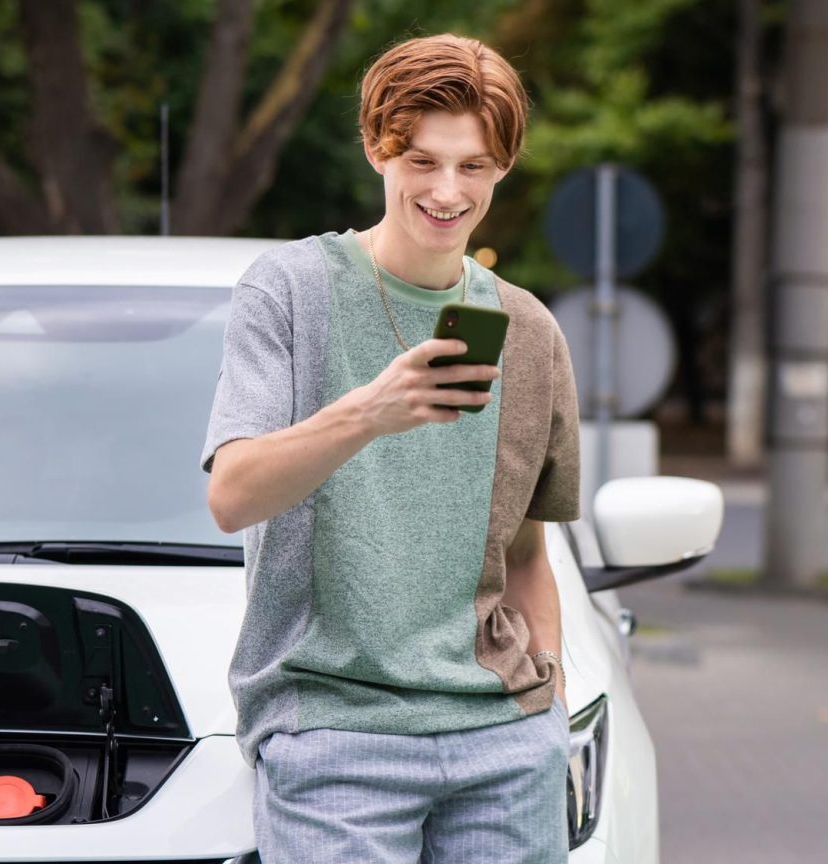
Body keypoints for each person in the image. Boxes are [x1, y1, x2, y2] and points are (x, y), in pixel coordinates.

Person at [201, 33, 580, 864]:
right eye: (422, 160)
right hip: (336, 735)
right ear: (378, 147)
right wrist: (368, 411)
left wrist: (546, 704)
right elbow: (232, 495)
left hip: (503, 747)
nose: (447, 191)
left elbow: (525, 555)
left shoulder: (531, 334)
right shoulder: (291, 292)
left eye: (473, 166)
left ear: (503, 168)